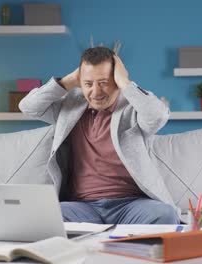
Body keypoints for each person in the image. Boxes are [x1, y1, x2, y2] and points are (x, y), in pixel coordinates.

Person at [19, 47, 180, 224]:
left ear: (116, 80)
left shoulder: (132, 108)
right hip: (82, 207)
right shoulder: (70, 106)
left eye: (103, 82)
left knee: (166, 215)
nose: (95, 92)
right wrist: (68, 81)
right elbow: (28, 107)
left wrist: (125, 82)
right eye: (88, 84)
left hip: (131, 205)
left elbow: (158, 115)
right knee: (38, 214)